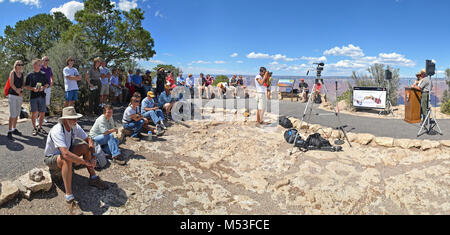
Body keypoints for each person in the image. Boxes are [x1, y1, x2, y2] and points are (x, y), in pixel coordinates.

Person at [44, 106, 108, 215]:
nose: (75, 120)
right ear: (65, 119)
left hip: (66, 152)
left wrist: (93, 155)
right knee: (66, 158)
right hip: (52, 158)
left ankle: (93, 178)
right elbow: (64, 153)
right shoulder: (57, 130)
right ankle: (70, 198)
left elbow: (88, 139)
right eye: (72, 118)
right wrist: (84, 162)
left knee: (85, 147)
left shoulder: (74, 126)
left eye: (75, 118)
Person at [25, 59, 49, 136]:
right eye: (38, 64)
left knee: (42, 112)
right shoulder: (30, 75)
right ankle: (34, 128)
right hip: (33, 97)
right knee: (34, 112)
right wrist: (33, 89)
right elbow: (26, 86)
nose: (40, 66)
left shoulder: (43, 74)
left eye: (40, 64)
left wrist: (43, 87)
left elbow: (47, 84)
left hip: (42, 96)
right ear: (34, 65)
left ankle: (40, 127)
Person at [7, 60, 25, 141]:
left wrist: (21, 90)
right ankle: (9, 131)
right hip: (13, 95)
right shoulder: (12, 73)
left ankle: (14, 129)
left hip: (19, 96)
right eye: (18, 64)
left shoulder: (22, 74)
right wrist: (17, 90)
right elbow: (11, 84)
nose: (20, 66)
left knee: (17, 113)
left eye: (21, 64)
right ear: (15, 65)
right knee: (12, 114)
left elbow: (23, 84)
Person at [40, 56, 53, 123]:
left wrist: (51, 82)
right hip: (41, 88)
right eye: (45, 60)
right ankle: (37, 118)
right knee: (39, 102)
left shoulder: (49, 68)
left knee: (45, 103)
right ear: (42, 61)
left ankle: (43, 117)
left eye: (47, 60)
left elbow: (51, 76)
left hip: (48, 88)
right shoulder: (40, 68)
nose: (46, 61)